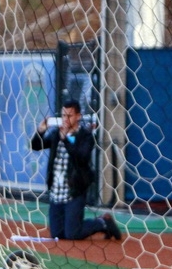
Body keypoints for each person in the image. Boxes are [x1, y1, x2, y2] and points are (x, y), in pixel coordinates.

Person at [30, 99, 121, 241]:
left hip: (75, 191)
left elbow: (82, 157)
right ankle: (93, 223)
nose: (66, 119)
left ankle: (103, 222)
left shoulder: (85, 136)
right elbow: (36, 146)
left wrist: (65, 138)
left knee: (72, 234)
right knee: (57, 235)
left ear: (78, 116)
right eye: (64, 115)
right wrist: (41, 130)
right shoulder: (56, 134)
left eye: (69, 115)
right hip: (56, 191)